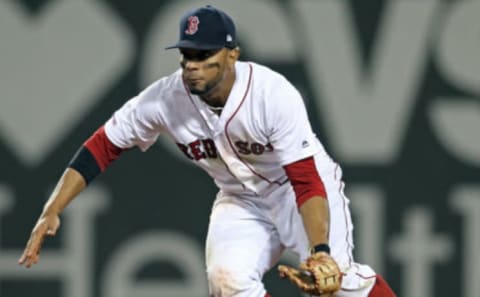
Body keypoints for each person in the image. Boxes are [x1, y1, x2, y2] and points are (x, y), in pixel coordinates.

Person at [18, 5, 396, 297]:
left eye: (204, 56)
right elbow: (101, 146)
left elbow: (305, 179)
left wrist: (321, 249)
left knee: (335, 283)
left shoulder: (271, 94)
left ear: (232, 54)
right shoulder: (166, 99)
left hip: (296, 190)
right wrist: (53, 208)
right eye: (187, 55)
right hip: (241, 200)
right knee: (227, 280)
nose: (192, 66)